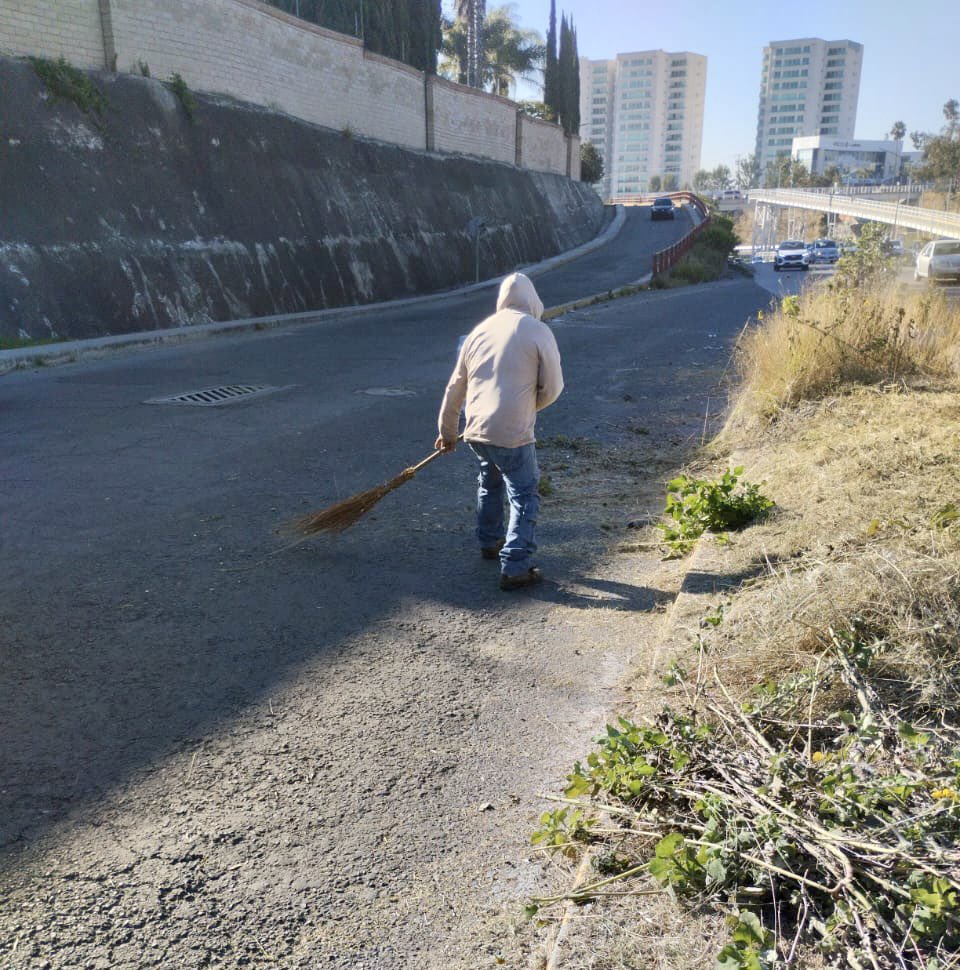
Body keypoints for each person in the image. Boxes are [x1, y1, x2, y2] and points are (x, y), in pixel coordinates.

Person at [435, 272, 563, 590]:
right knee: (523, 494)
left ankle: (489, 541)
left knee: (489, 482)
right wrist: (528, 408)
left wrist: (448, 431)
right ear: (532, 301)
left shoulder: (479, 331)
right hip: (513, 432)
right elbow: (554, 386)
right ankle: (516, 565)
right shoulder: (538, 330)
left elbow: (455, 387)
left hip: (476, 429)